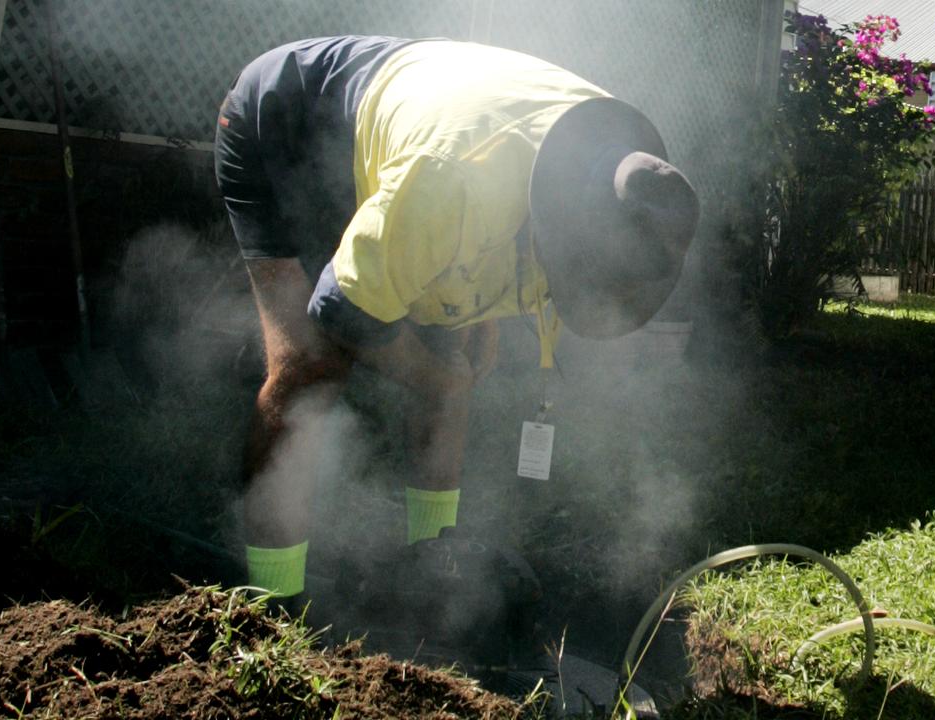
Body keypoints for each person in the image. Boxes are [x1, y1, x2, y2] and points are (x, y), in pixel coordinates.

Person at [214, 36, 699, 600]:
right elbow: (340, 314)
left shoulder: (618, 179)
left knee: (453, 368)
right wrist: (434, 375)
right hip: (285, 120)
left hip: (421, 157)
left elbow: (504, 251)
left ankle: (427, 581)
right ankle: (271, 609)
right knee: (307, 366)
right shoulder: (457, 186)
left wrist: (464, 336)